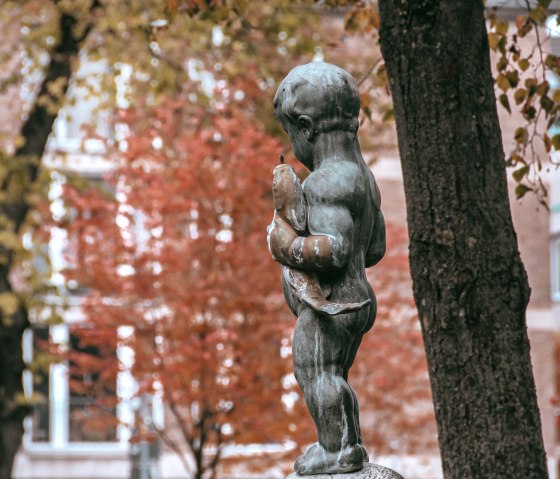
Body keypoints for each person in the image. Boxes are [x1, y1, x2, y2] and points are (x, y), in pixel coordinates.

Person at [267, 61, 386, 476]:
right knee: (335, 373)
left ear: (306, 127)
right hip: (359, 299)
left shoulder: (325, 182)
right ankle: (347, 440)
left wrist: (289, 245)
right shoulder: (364, 179)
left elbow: (334, 250)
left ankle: (335, 449)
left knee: (315, 370)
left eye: (290, 133)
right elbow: (374, 248)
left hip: (330, 307)